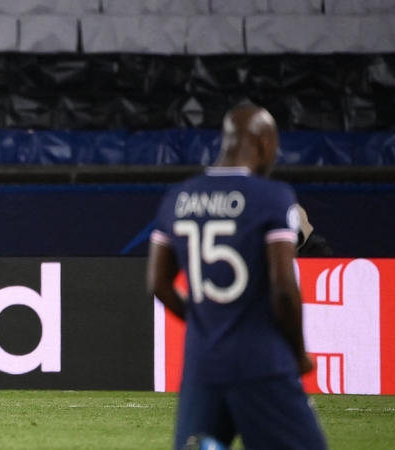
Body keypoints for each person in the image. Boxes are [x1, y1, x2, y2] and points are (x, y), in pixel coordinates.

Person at [147, 104, 327, 450]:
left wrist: (204, 321)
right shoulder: (271, 197)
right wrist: (298, 353)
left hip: (202, 364)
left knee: (199, 442)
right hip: (260, 362)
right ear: (263, 142)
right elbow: (284, 291)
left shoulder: (179, 197)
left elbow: (157, 283)